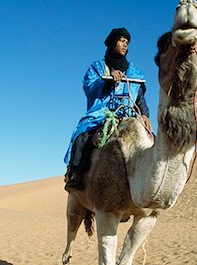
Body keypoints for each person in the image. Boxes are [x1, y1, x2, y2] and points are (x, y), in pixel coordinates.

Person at [64, 28, 152, 191]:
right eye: (121, 41)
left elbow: (139, 97)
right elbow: (89, 86)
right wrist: (109, 79)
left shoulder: (135, 73)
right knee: (83, 137)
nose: (125, 44)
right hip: (101, 114)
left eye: (127, 42)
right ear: (113, 43)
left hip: (128, 114)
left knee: (150, 141)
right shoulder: (98, 67)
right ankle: (76, 175)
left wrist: (145, 115)